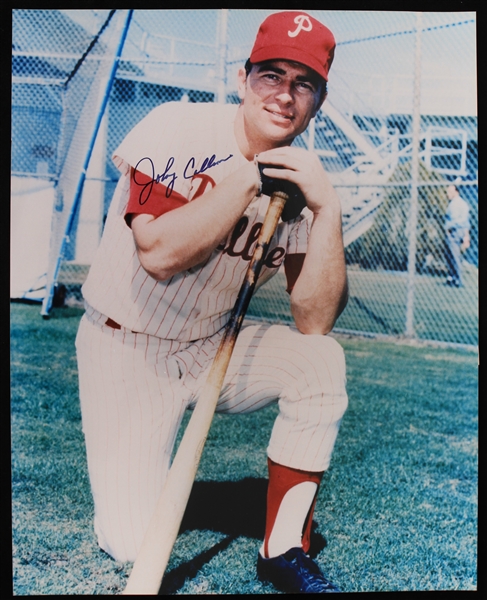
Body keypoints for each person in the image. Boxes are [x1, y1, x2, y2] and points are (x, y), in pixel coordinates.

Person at [75, 10, 349, 594]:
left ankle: (283, 550)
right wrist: (247, 178)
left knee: (320, 360)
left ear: (319, 100)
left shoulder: (306, 180)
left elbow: (315, 318)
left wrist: (327, 211)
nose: (285, 95)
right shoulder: (176, 127)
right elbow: (158, 252)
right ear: (243, 78)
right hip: (126, 344)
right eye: (271, 75)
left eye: (304, 83)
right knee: (131, 542)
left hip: (210, 347)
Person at [444, 182, 470, 287]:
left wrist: (466, 236)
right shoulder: (452, 203)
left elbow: (464, 221)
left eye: (450, 192)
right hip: (451, 231)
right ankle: (452, 277)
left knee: (455, 256)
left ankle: (458, 279)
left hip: (456, 231)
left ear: (456, 191)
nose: (448, 194)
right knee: (449, 255)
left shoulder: (461, 204)